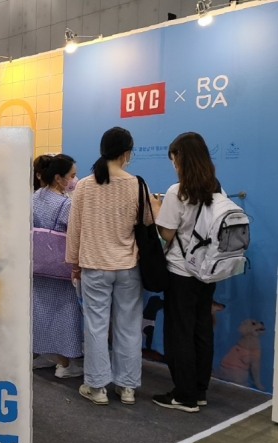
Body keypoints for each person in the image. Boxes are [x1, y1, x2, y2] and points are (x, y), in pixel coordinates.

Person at [66, 126, 155, 406]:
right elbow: (149, 223)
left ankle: (97, 387)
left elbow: (75, 230)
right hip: (128, 266)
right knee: (129, 327)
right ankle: (127, 387)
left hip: (94, 266)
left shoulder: (85, 186)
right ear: (127, 153)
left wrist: (74, 264)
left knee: (96, 326)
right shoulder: (138, 185)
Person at [152, 132, 221, 413]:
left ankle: (184, 395)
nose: (173, 165)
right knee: (202, 329)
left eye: (174, 159)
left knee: (179, 332)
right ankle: (199, 390)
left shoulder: (176, 192)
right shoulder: (216, 189)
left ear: (181, 158)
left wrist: (157, 209)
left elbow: (167, 234)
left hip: (181, 271)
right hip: (208, 270)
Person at [31, 154, 84, 377]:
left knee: (40, 311)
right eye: (72, 175)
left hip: (37, 264)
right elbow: (76, 234)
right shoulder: (65, 204)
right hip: (60, 268)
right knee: (65, 314)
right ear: (59, 178)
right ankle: (65, 364)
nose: (74, 180)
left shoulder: (35, 197)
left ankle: (42, 354)